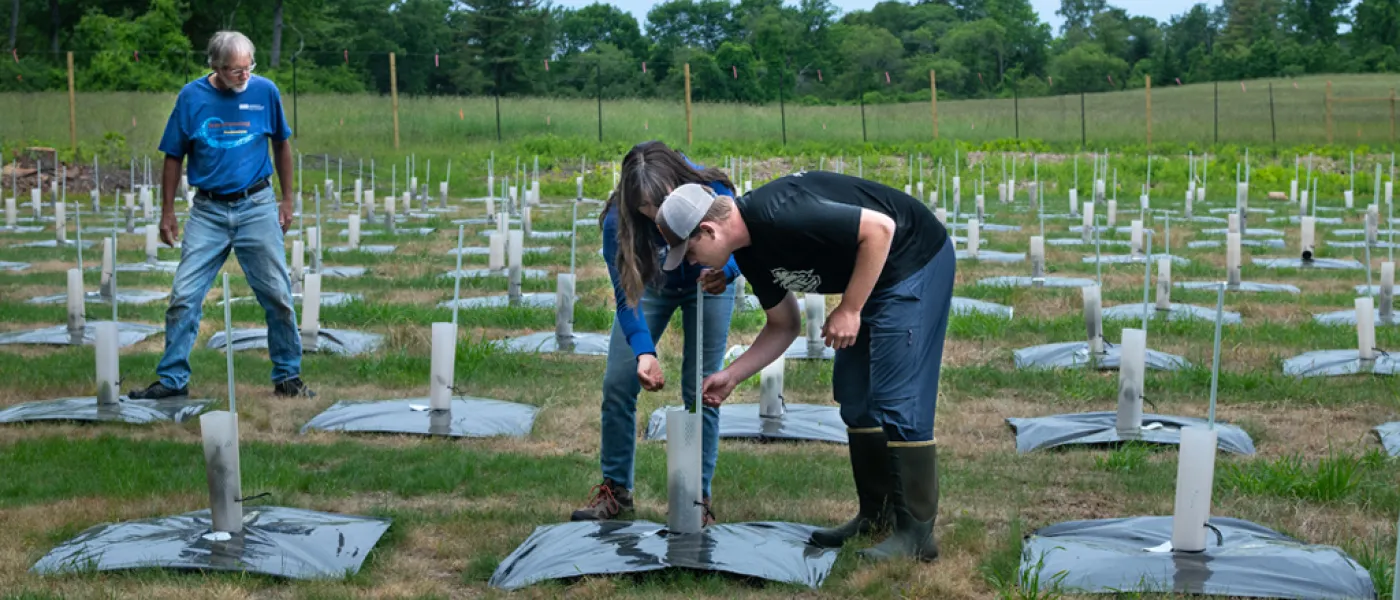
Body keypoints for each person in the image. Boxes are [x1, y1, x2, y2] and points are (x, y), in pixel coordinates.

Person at [654, 172, 953, 562]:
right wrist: (732, 375)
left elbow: (880, 230)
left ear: (708, 230)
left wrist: (850, 309)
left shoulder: (781, 213)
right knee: (854, 394)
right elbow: (784, 324)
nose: (693, 264)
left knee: (900, 400)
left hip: (913, 260)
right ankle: (876, 516)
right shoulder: (748, 252)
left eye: (690, 253)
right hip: (872, 273)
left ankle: (916, 537)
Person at [128, 31, 313, 400]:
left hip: (256, 205)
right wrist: (167, 212)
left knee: (277, 294)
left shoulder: (266, 92)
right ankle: (172, 379)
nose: (244, 77)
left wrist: (287, 199)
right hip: (208, 210)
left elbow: (282, 144)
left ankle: (288, 377)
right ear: (214, 66)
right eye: (234, 71)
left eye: (248, 68)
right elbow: (172, 156)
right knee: (184, 295)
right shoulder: (191, 97)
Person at [571, 141, 741, 524]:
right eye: (643, 210)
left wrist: (726, 272)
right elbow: (625, 296)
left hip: (707, 283)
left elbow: (743, 243)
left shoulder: (715, 193)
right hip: (652, 288)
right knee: (618, 381)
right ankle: (616, 491)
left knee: (702, 387)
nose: (654, 216)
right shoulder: (620, 221)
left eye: (659, 206)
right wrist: (644, 352)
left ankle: (696, 499)